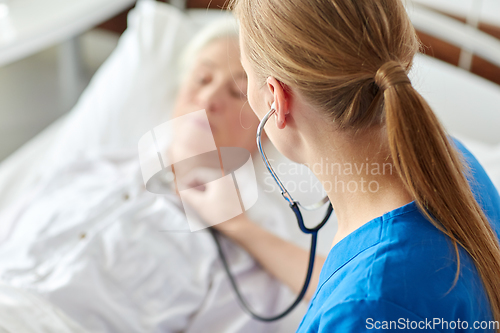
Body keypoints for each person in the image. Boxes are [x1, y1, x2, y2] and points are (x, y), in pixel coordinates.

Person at [181, 0, 500, 332]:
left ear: (277, 99)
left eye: (242, 80)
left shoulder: (362, 307)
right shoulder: (451, 160)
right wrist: (243, 230)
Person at [0, 19, 294, 333]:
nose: (209, 99)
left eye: (237, 92)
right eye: (202, 78)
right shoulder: (87, 167)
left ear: (265, 127)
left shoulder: (240, 259)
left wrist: (237, 228)